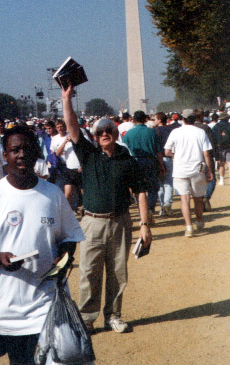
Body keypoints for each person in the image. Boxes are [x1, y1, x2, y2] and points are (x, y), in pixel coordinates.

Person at [0, 126, 84, 365]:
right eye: (15, 149)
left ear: (36, 153)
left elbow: (70, 236)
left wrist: (64, 255)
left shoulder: (52, 194)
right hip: (9, 308)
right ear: (4, 155)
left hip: (47, 303)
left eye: (27, 149)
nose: (21, 155)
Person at [62, 85, 152, 334]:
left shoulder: (127, 159)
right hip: (92, 222)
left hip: (121, 221)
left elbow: (141, 192)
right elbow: (71, 127)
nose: (104, 134)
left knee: (117, 272)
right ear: (94, 136)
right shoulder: (89, 155)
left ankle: (114, 315)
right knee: (89, 272)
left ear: (115, 132)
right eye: (99, 132)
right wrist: (66, 99)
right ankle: (87, 318)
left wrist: (145, 225)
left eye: (108, 130)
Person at [164, 109, 213, 238]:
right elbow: (206, 153)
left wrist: (176, 155)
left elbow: (167, 151)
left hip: (180, 169)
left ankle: (189, 227)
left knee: (184, 199)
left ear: (182, 119)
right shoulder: (200, 132)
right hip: (198, 168)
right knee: (198, 198)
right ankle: (199, 220)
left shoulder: (175, 132)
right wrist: (210, 170)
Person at [123, 110, 165, 223]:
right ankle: (150, 209)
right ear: (145, 119)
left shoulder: (129, 133)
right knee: (153, 188)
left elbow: (123, 149)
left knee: (138, 190)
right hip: (150, 161)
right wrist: (161, 165)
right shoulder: (151, 132)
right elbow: (159, 152)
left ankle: (143, 213)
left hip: (135, 162)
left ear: (134, 120)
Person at [50, 120, 82, 208]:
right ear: (56, 128)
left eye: (62, 126)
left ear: (65, 127)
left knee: (83, 193)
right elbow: (57, 153)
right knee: (67, 194)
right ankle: (69, 212)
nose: (60, 128)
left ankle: (84, 210)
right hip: (65, 167)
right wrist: (65, 142)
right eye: (58, 127)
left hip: (78, 167)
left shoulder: (73, 135)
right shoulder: (55, 139)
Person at [153, 112, 174, 216]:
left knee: (160, 184)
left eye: (155, 119)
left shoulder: (154, 131)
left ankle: (162, 207)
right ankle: (167, 203)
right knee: (169, 182)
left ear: (159, 120)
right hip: (169, 158)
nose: (154, 121)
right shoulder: (171, 130)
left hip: (157, 159)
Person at [212, 112, 230, 186]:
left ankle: (222, 180)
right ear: (226, 118)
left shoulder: (216, 126)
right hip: (229, 146)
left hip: (220, 147)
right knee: (229, 162)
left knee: (221, 164)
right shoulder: (229, 125)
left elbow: (213, 138)